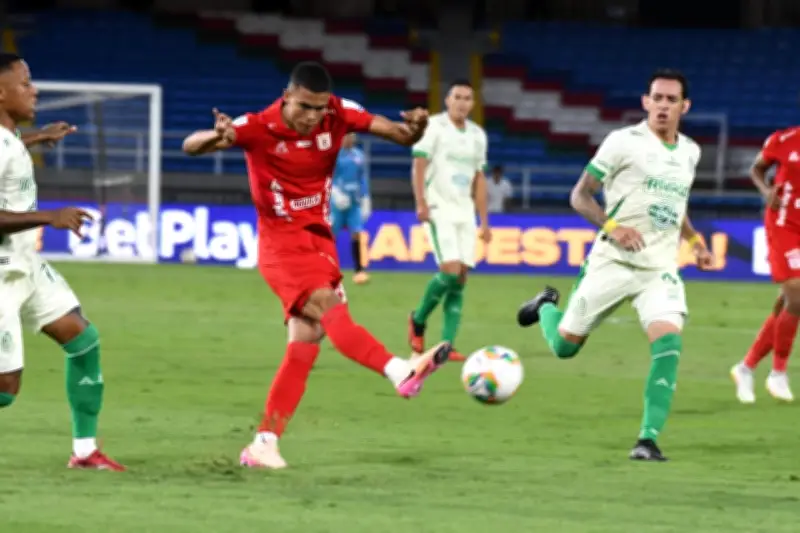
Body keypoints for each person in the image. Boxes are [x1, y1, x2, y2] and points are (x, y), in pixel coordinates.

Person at [182, 61, 451, 469]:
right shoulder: (258, 125)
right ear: (287, 97)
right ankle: (400, 370)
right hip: (281, 247)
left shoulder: (338, 113)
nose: (313, 116)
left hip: (319, 242)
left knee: (304, 343)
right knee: (327, 308)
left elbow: (398, 134)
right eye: (305, 106)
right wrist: (213, 138)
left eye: (319, 108)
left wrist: (416, 128)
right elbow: (190, 145)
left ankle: (263, 443)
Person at [516, 69, 715, 462]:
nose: (662, 105)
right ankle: (546, 306)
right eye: (656, 98)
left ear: (684, 107)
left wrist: (694, 239)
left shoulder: (691, 152)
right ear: (645, 102)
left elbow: (677, 205)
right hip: (612, 261)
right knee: (564, 348)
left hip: (658, 269)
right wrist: (614, 226)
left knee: (669, 343)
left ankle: (647, 439)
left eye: (671, 100)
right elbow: (580, 195)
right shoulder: (622, 142)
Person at [0, 53, 125, 471]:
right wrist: (50, 217)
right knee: (4, 391)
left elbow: (10, 147)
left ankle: (86, 452)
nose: (33, 90)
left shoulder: (9, 138)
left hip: (24, 263)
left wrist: (37, 138)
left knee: (82, 339)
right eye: (24, 83)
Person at [407, 80, 491, 362]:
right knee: (450, 270)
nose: (462, 102)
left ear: (473, 103)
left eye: (468, 98)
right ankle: (418, 320)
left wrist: (484, 220)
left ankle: (447, 345)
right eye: (457, 97)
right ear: (447, 100)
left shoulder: (478, 135)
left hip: (464, 211)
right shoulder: (432, 127)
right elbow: (419, 164)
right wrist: (420, 201)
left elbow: (479, 178)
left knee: (461, 278)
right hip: (437, 206)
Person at [730, 126, 800, 403]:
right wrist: (766, 190)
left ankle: (746, 367)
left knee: (786, 301)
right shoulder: (784, 140)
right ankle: (778, 372)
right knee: (796, 292)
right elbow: (756, 169)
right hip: (783, 225)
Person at [331, 132, 371, 284]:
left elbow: (362, 178)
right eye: (347, 136)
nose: (350, 139)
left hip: (354, 202)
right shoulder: (334, 155)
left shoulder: (359, 155)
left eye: (352, 136)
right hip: (337, 203)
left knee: (357, 234)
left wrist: (366, 198)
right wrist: (335, 193)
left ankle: (359, 270)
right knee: (331, 235)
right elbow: (328, 177)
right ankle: (328, 269)